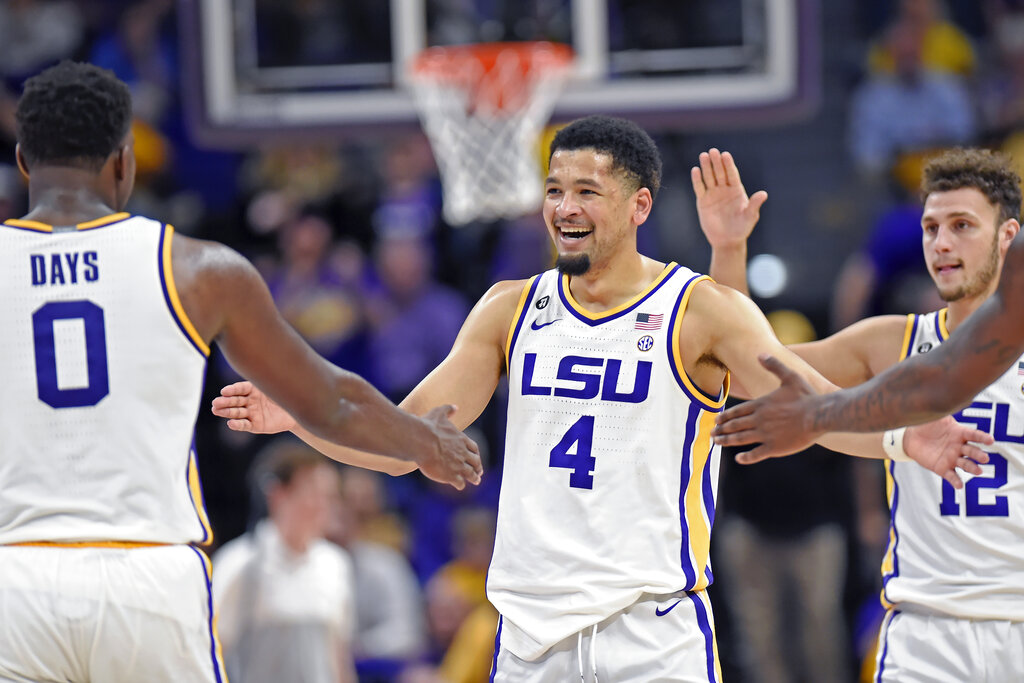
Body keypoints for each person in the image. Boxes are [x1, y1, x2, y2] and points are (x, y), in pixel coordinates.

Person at [213, 115, 988, 681]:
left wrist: (903, 439)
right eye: (554, 190)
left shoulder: (701, 309)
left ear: (639, 206)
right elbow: (402, 438)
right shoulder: (509, 308)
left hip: (648, 636)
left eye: (587, 190)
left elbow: (813, 407)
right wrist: (304, 412)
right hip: (529, 641)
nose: (565, 207)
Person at [0, 61, 481, 683]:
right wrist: (425, 443)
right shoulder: (198, 269)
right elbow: (331, 400)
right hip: (147, 576)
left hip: (15, 576)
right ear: (125, 162)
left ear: (22, 163)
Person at [699, 147, 1024, 681]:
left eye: (962, 225)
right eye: (930, 227)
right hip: (927, 631)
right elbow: (746, 373)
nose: (941, 243)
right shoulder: (891, 340)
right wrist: (730, 247)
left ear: (1007, 236)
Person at [213, 442, 357, 683]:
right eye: (313, 493)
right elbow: (212, 650)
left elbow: (339, 655)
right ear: (277, 494)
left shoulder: (335, 564)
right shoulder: (240, 564)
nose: (324, 506)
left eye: (330, 496)